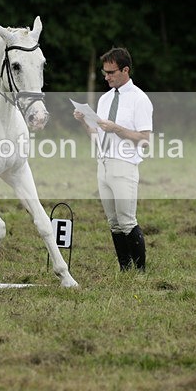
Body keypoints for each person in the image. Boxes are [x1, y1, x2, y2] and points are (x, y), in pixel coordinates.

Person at [74, 48, 153, 271]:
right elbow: (97, 136)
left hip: (125, 165)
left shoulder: (140, 99)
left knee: (127, 220)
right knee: (114, 223)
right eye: (104, 72)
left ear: (125, 70)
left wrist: (117, 128)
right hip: (104, 163)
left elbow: (144, 140)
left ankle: (140, 272)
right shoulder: (105, 99)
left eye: (111, 72)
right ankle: (125, 269)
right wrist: (84, 122)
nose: (106, 77)